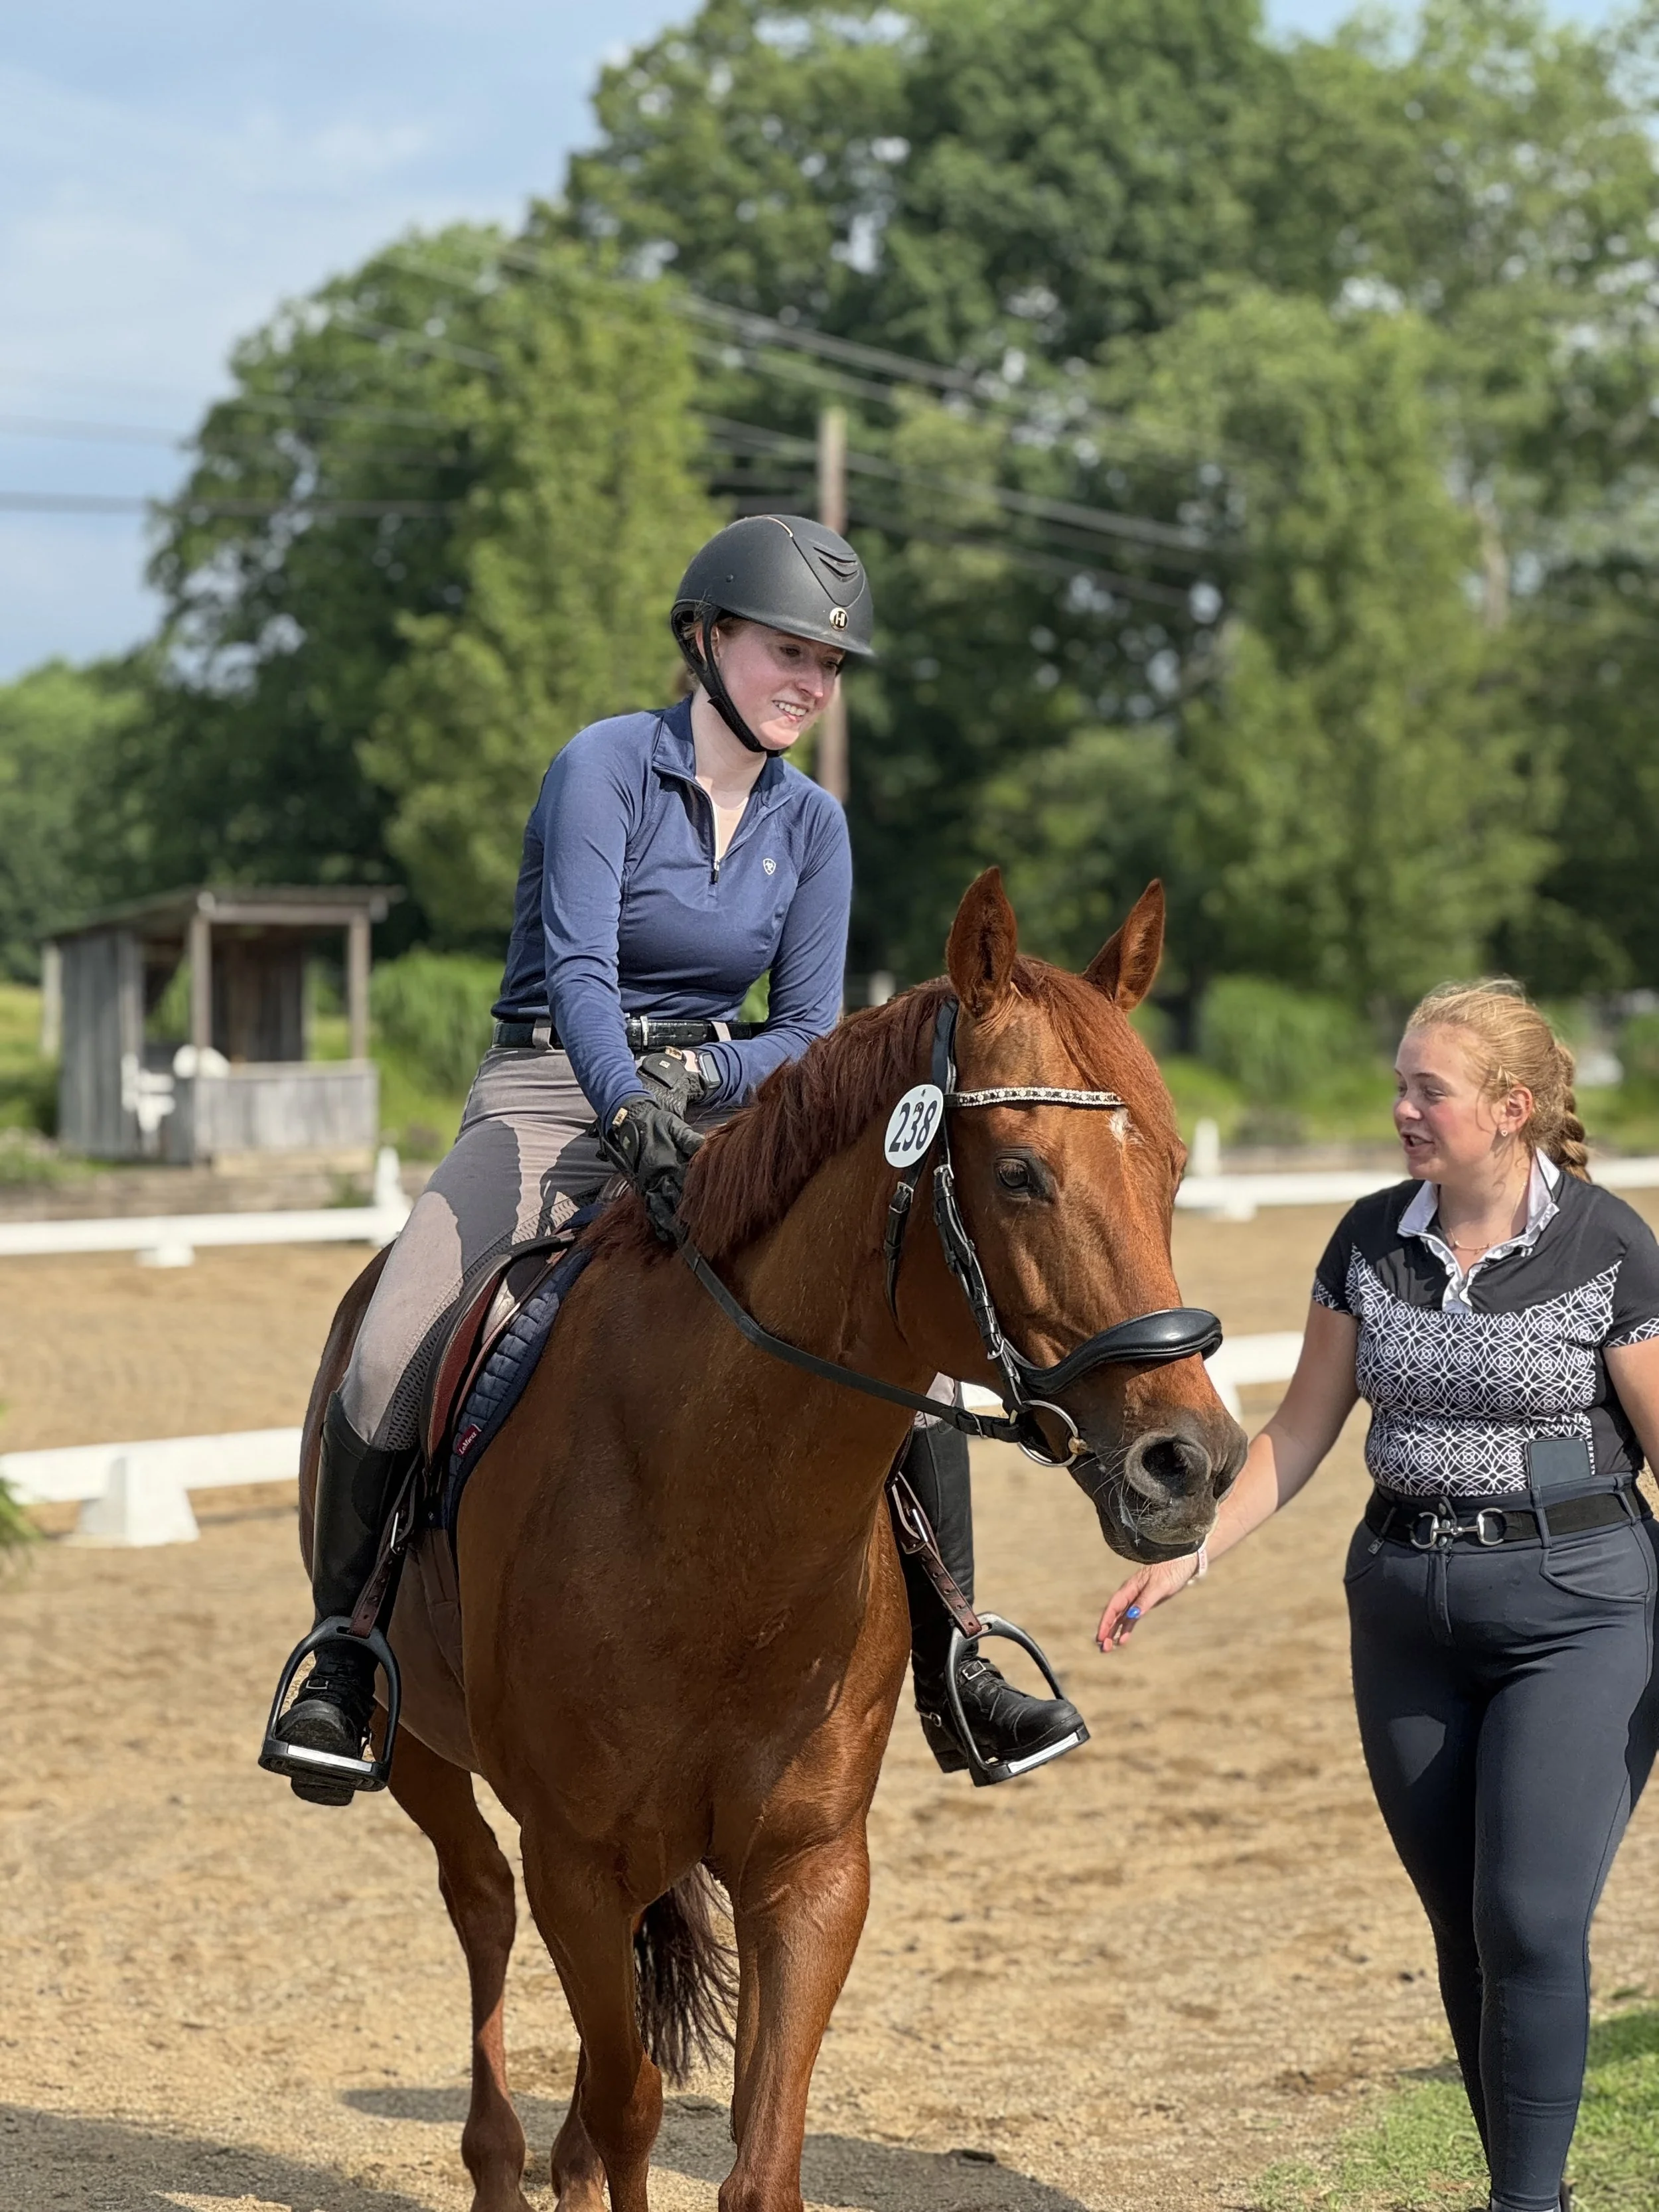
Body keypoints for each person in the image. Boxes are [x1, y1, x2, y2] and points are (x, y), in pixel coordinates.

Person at [267, 512, 1084, 1805]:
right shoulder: (600, 767)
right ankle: (344, 1659)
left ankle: (956, 1663)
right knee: (400, 1319)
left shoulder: (813, 824)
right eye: (785, 653)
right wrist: (624, 1105)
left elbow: (805, 1032)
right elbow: (580, 974)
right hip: (549, 1086)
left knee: (886, 1320)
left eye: (828, 668)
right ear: (702, 639)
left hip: (724, 1101)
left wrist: (695, 1084)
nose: (809, 686)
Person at [1099, 980, 1659, 2212]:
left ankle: (1531, 2205)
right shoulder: (1365, 1241)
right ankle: (1524, 2180)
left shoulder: (1608, 1244)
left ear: (1511, 1109)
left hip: (1580, 1609)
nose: (1401, 1105)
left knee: (1527, 1916)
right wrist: (1188, 1557)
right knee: (1465, 1923)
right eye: (1400, 1081)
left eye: (1429, 1089)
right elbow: (1299, 1435)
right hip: (1403, 1607)